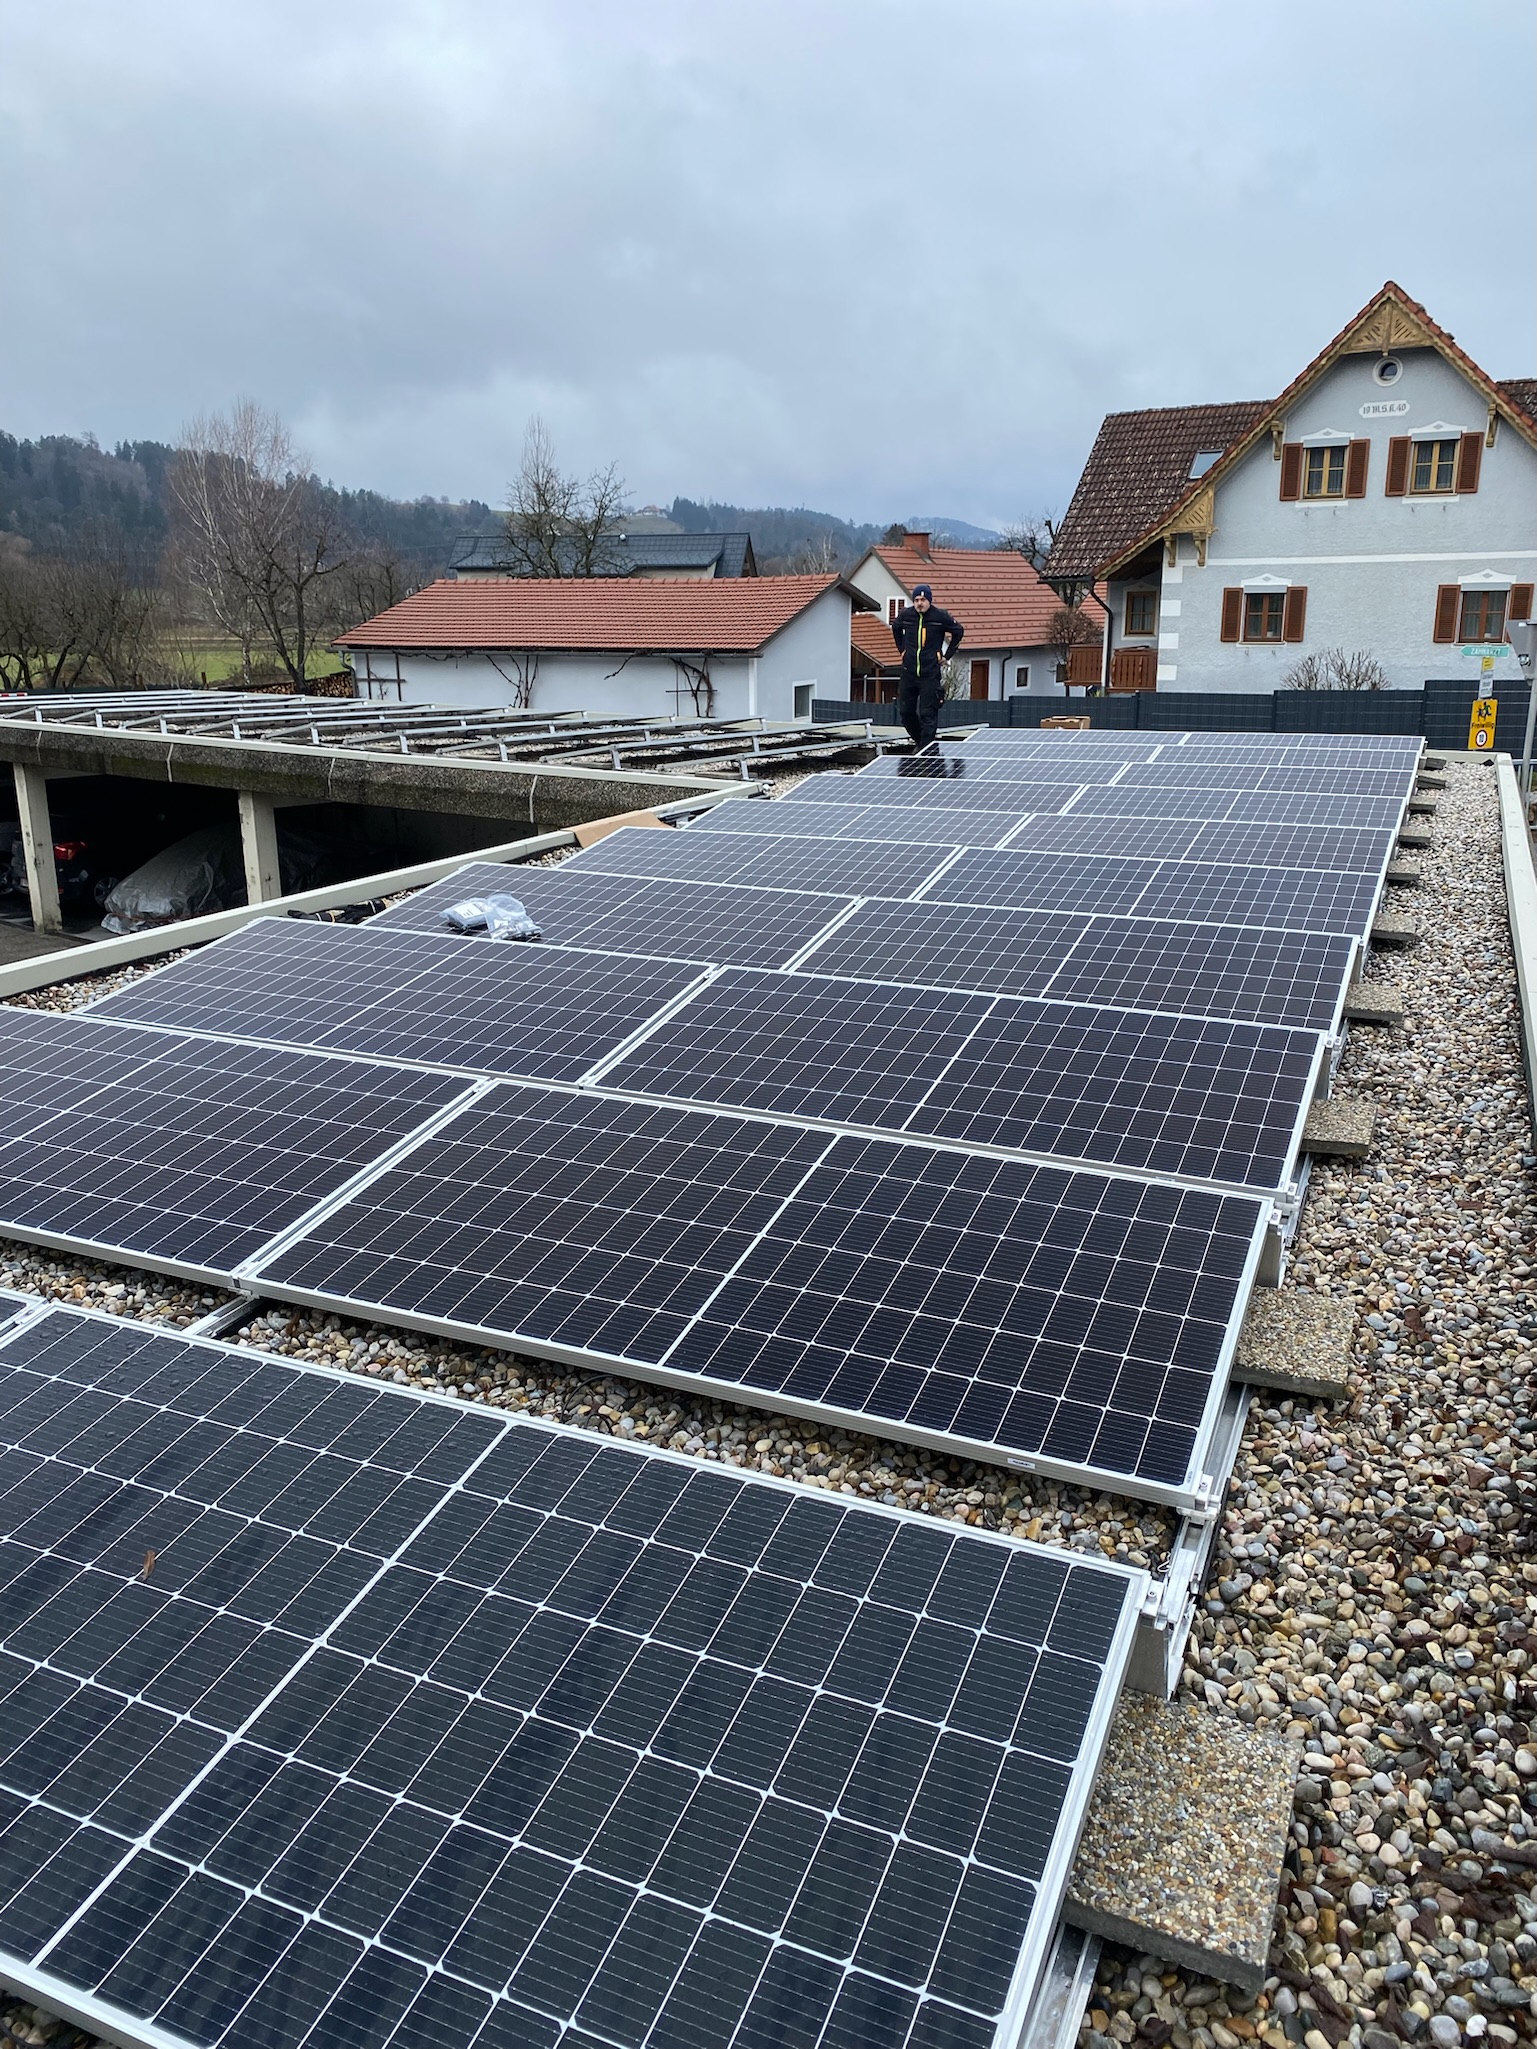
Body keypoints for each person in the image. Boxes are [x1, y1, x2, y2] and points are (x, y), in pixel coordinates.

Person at [890, 583, 964, 750]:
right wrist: (902, 650)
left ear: (929, 600)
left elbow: (958, 631)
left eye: (923, 599)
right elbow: (896, 628)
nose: (919, 603)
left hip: (929, 674)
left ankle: (925, 750)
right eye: (916, 600)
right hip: (909, 672)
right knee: (906, 713)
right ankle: (921, 743)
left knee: (928, 715)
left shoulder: (940, 617)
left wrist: (947, 656)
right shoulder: (906, 615)